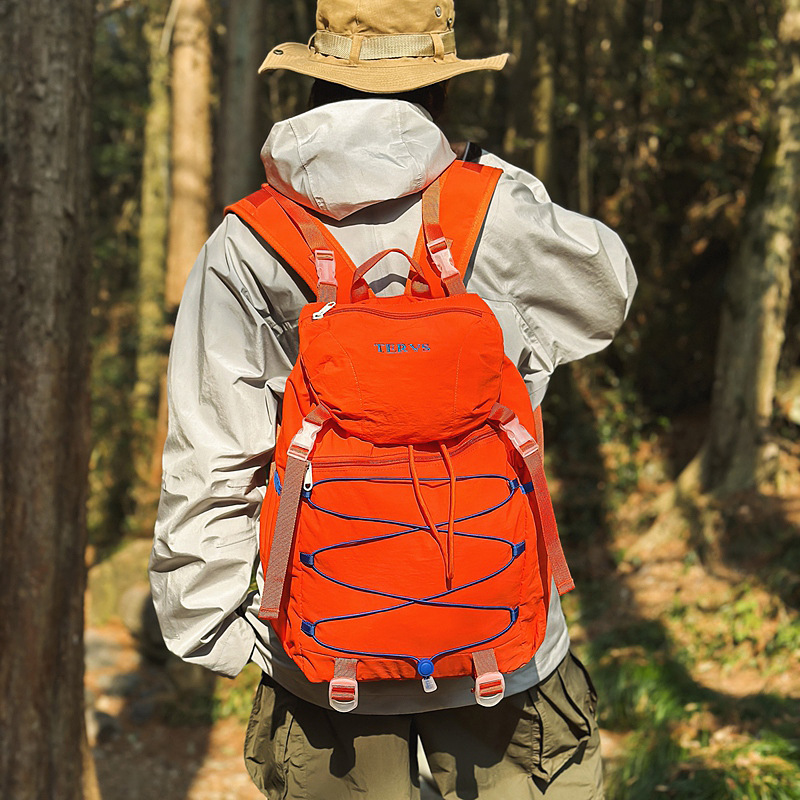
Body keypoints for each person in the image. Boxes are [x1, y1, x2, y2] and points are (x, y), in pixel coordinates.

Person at [149, 1, 636, 798]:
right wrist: (487, 173)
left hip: (325, 648)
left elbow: (211, 448)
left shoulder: (248, 239)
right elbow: (606, 291)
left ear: (318, 79)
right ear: (440, 85)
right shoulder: (493, 205)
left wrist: (212, 623)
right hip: (501, 642)